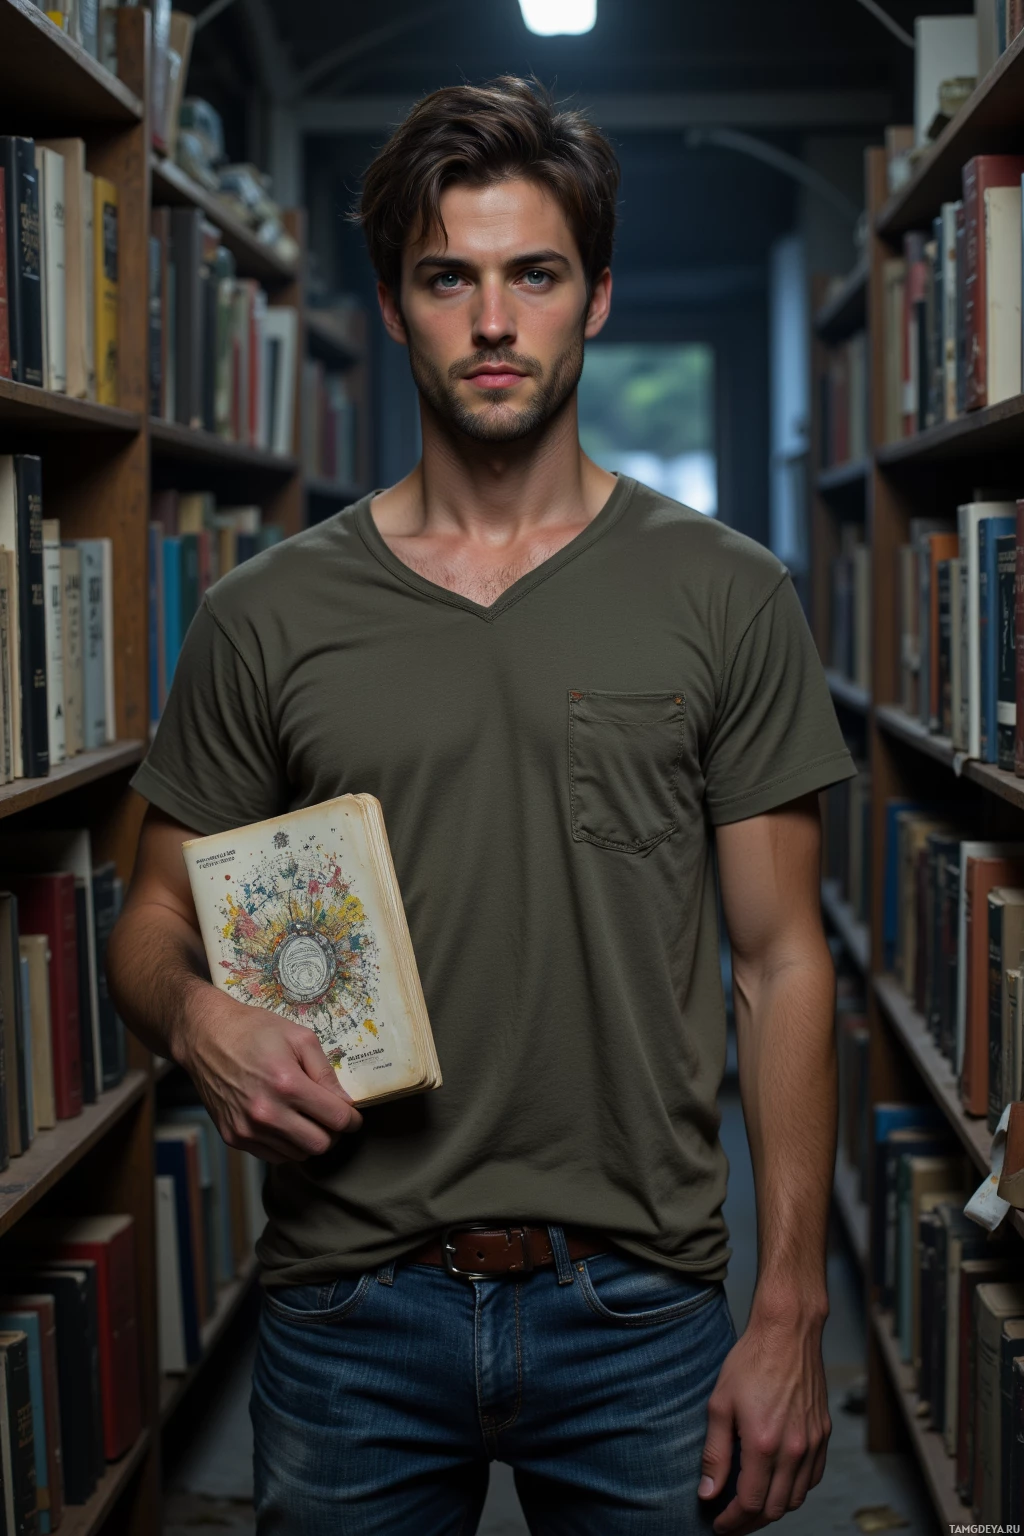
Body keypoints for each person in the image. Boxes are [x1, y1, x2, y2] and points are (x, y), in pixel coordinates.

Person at [108, 76, 856, 1536]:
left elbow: (782, 964)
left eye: (536, 275)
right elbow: (149, 916)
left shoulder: (727, 595)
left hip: (640, 1307)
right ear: (394, 305)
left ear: (598, 299)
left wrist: (790, 1309)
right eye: (450, 277)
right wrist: (198, 1021)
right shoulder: (267, 615)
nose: (495, 320)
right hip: (349, 1312)